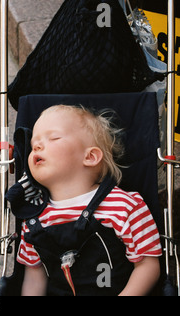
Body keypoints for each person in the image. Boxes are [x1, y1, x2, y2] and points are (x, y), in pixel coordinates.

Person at [17, 105, 162, 296]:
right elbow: (35, 276)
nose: (36, 146)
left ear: (90, 157)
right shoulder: (34, 218)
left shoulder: (123, 206)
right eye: (34, 143)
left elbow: (148, 265)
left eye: (53, 138)